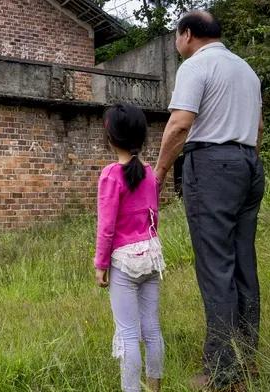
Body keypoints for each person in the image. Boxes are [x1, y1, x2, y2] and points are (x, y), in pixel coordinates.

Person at [154, 11, 265, 392]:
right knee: (243, 264)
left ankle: (222, 373)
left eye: (175, 37)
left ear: (187, 34)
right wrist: (244, 161)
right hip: (249, 163)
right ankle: (247, 360)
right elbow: (259, 127)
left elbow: (180, 123)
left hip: (214, 166)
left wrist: (159, 174)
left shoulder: (196, 65)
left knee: (216, 267)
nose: (176, 44)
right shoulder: (246, 70)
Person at [95, 103, 165, 392]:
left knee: (127, 333)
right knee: (151, 328)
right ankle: (155, 385)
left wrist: (100, 265)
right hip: (151, 255)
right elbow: (154, 215)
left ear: (110, 137)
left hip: (124, 262)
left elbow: (106, 226)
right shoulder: (150, 173)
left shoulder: (111, 175)